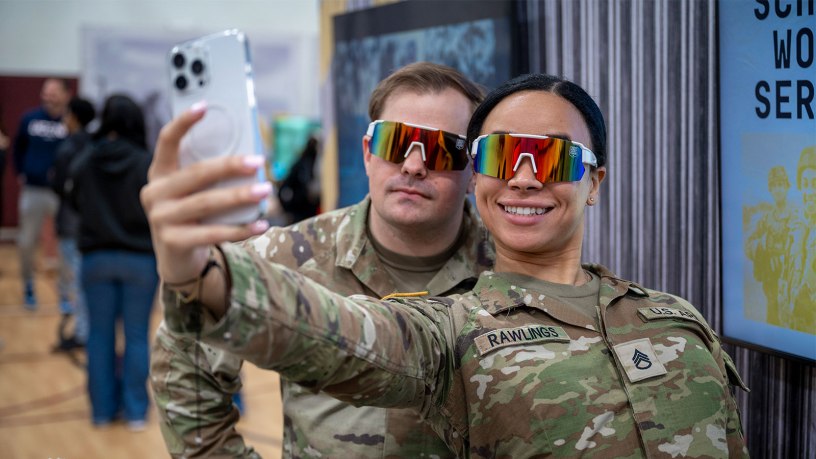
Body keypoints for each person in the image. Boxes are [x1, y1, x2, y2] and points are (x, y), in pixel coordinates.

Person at [146, 73, 749, 457]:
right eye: (504, 153)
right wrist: (196, 272)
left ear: (594, 182)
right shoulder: (452, 327)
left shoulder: (670, 318)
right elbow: (349, 337)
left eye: (554, 157)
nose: (524, 175)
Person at [148, 62, 493, 457]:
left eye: (442, 149)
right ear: (368, 153)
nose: (413, 166)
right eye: (395, 142)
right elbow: (185, 359)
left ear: (473, 172)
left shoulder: (507, 272)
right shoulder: (287, 254)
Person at [68, 94, 157, 430]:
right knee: (136, 336)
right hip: (140, 261)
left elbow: (71, 196)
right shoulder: (145, 161)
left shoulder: (87, 159)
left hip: (96, 258)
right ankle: (135, 413)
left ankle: (102, 412)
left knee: (99, 337)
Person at [12, 78, 72, 309]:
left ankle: (66, 292)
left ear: (66, 95)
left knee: (66, 243)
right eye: (45, 92)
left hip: (61, 194)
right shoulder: (30, 118)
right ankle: (28, 286)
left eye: (54, 92)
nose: (48, 96)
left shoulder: (70, 122)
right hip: (33, 190)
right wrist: (21, 172)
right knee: (26, 241)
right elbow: (18, 148)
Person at [51, 97, 96, 350]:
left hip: (72, 225)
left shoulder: (69, 149)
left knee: (77, 282)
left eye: (67, 115)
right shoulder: (96, 146)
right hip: (91, 225)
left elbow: (59, 186)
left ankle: (82, 333)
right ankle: (84, 330)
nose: (64, 120)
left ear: (75, 118)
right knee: (82, 281)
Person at [745, 165, 796, 325]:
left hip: (792, 283)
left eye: (781, 185)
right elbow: (748, 246)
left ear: (787, 187)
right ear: (771, 190)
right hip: (772, 285)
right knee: (773, 320)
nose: (778, 190)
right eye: (774, 186)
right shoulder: (765, 219)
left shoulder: (796, 216)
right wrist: (763, 245)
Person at [779, 146, 816, 333]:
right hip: (792, 324)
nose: (809, 191)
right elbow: (786, 275)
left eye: (815, 184)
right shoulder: (795, 228)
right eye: (806, 183)